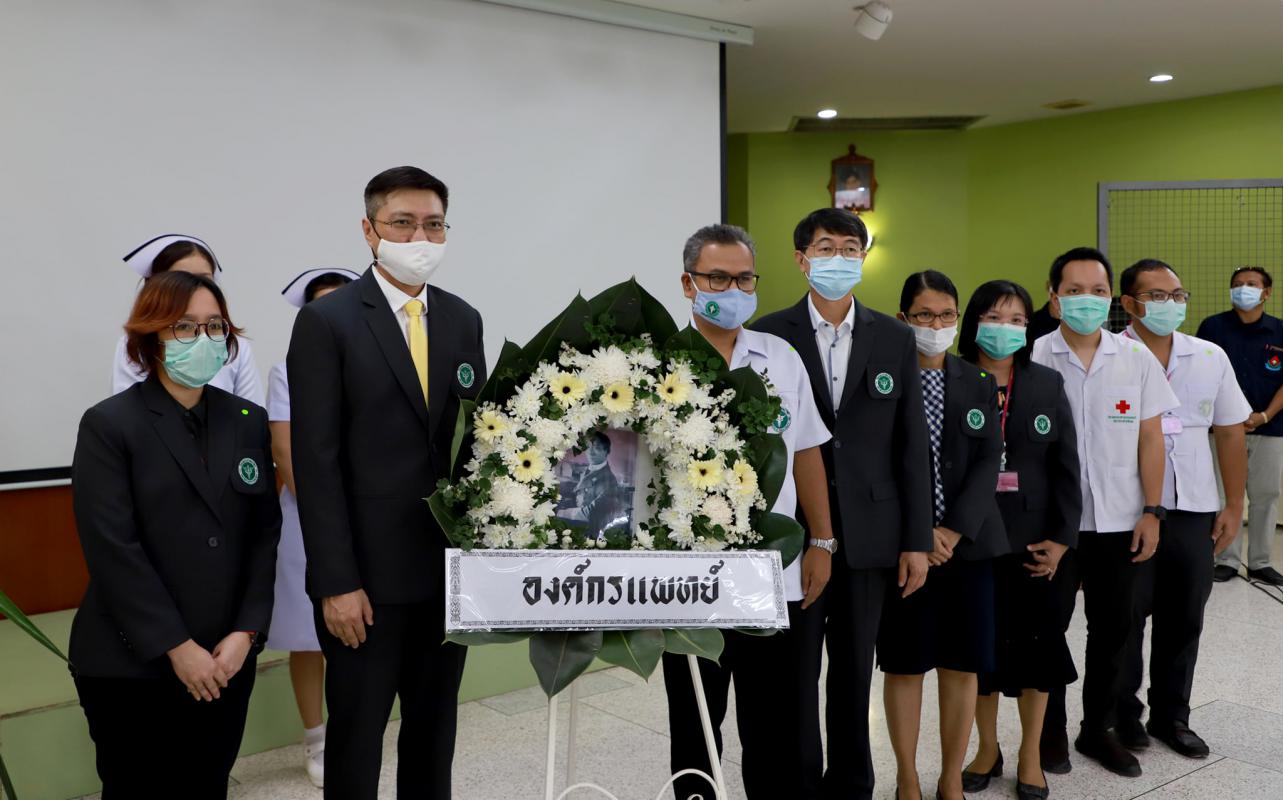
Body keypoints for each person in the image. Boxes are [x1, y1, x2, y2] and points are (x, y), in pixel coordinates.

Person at [287, 166, 486, 799]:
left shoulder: (462, 318)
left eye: (433, 223)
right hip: (364, 582)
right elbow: (315, 462)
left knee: (434, 734)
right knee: (357, 737)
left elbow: (472, 444)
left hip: (445, 576)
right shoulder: (329, 322)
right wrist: (336, 582)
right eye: (403, 222)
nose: (419, 236)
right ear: (370, 230)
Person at [69, 270, 281, 799]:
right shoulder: (110, 424)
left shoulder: (247, 419)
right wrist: (177, 647)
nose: (202, 339)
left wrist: (246, 632)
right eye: (185, 327)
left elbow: (263, 535)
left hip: (226, 658)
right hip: (131, 662)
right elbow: (112, 548)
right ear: (152, 336)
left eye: (215, 326)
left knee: (207, 784)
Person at [752, 207, 932, 800]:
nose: (840, 258)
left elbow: (911, 445)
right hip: (793, 531)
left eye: (851, 249)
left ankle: (853, 785)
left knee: (855, 672)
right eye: (827, 247)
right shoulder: (770, 335)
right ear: (801, 259)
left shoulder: (895, 337)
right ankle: (800, 784)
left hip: (873, 533)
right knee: (796, 673)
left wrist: (916, 540)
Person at [661, 223, 835, 800]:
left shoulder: (780, 357)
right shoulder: (656, 363)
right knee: (695, 723)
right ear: (688, 283)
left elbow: (806, 450)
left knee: (774, 724)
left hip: (771, 574)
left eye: (744, 279)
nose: (732, 290)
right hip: (686, 580)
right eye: (717, 278)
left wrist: (822, 541)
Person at [1031, 247, 1179, 778]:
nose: (1086, 300)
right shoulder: (1034, 356)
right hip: (1053, 526)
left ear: (1111, 298)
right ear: (1053, 298)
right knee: (1046, 630)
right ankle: (1046, 732)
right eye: (1074, 291)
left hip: (1120, 521)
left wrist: (1152, 511)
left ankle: (1098, 729)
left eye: (1097, 291)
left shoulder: (1134, 358)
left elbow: (1151, 438)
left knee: (1114, 631)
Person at [877, 270, 1005, 800]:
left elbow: (988, 462)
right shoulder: (882, 380)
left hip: (967, 548)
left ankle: (951, 775)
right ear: (903, 319)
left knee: (961, 665)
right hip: (904, 550)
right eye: (925, 315)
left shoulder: (978, 382)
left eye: (946, 315)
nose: (936, 325)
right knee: (905, 665)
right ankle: (907, 776)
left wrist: (950, 530)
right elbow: (877, 464)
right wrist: (919, 534)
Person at [1116, 259, 1250, 758]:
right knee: (1125, 617)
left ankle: (1172, 716)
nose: (1169, 305)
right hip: (1127, 509)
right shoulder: (1112, 356)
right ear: (1128, 303)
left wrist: (1232, 504)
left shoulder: (1209, 356)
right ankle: (1122, 714)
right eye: (1156, 296)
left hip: (1194, 507)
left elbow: (1230, 431)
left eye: (1176, 295)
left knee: (1184, 615)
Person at [958, 280, 1082, 800]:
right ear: (973, 322)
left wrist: (1062, 539)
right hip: (969, 541)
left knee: (1037, 655)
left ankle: (1031, 755)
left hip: (1034, 544)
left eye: (1016, 320)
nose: (1004, 328)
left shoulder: (1047, 383)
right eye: (993, 317)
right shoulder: (952, 378)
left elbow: (1067, 467)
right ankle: (987, 749)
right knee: (979, 656)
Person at [266, 267, 359, 788]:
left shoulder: (377, 363)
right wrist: (328, 515)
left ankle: (354, 731)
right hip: (309, 516)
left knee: (364, 630)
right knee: (309, 634)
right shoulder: (288, 369)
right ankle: (316, 737)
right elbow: (284, 450)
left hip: (369, 516)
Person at [1195, 266, 1283, 586]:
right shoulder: (1212, 327)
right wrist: (1224, 417)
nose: (1243, 289)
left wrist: (1265, 415)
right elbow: (1199, 374)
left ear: (1266, 292)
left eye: (1251, 284)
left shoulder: (1279, 330)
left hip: (1269, 427)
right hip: (1221, 430)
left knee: (1266, 495)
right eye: (1237, 284)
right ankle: (1226, 559)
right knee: (1221, 495)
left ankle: (1260, 562)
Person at [112, 234, 264, 407]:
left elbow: (249, 410)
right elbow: (126, 410)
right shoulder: (136, 344)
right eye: (180, 278)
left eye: (204, 279)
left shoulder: (232, 344)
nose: (193, 287)